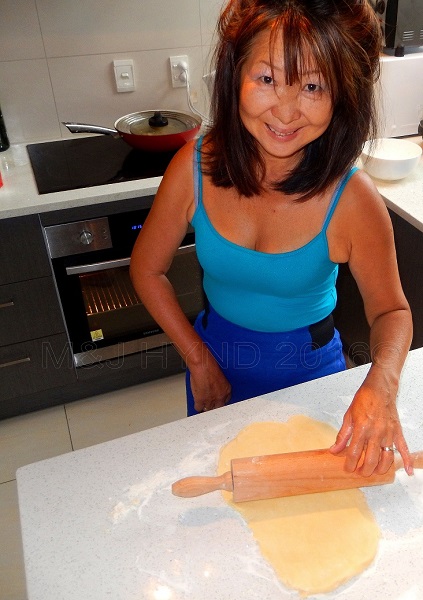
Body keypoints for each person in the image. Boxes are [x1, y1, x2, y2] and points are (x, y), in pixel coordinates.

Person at [130, 0, 413, 477]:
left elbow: (392, 311)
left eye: (312, 86)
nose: (286, 110)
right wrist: (198, 361)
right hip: (214, 359)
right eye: (266, 79)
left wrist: (380, 384)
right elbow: (147, 269)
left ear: (342, 95)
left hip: (307, 376)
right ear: (234, 75)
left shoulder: (353, 199)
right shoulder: (194, 165)